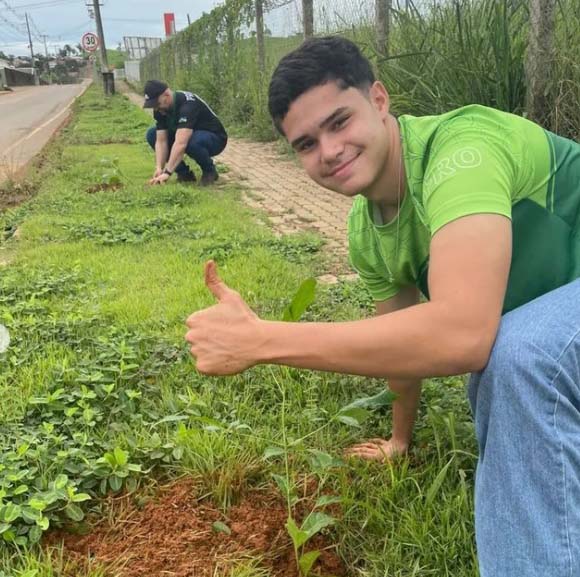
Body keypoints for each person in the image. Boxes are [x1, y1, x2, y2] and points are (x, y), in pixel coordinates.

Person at [184, 36, 580, 577]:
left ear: (379, 100)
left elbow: (463, 333)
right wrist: (399, 441)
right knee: (519, 353)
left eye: (339, 121)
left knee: (518, 355)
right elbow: (402, 343)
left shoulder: (461, 152)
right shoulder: (368, 232)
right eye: (305, 144)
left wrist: (261, 340)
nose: (328, 151)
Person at [143, 79, 227, 186]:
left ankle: (209, 171)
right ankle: (184, 174)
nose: (156, 108)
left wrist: (168, 173)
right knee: (152, 134)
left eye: (157, 103)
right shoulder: (160, 109)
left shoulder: (188, 105)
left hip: (215, 138)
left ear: (166, 95)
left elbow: (181, 143)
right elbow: (161, 141)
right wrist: (159, 168)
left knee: (191, 141)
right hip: (190, 136)